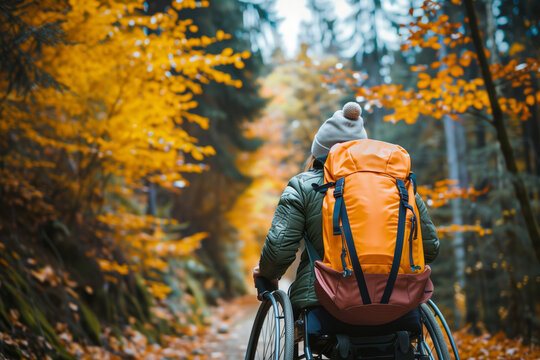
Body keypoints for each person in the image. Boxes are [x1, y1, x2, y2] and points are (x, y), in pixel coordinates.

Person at [252, 102, 440, 336]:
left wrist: (266, 275)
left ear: (318, 153)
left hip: (326, 307)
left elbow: (280, 249)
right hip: (400, 306)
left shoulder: (303, 185)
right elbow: (430, 248)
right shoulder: (399, 186)